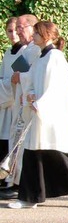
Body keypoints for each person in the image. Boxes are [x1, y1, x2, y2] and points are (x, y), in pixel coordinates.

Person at [7, 21, 68, 209]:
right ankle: (29, 197)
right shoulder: (40, 56)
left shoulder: (55, 57)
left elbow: (56, 88)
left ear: (47, 35)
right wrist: (30, 93)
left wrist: (40, 103)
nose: (33, 37)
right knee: (33, 154)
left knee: (56, 155)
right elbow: (30, 78)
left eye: (37, 33)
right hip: (38, 112)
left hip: (50, 116)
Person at [0, 14, 41, 200]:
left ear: (33, 28)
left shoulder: (35, 50)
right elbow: (14, 75)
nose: (17, 32)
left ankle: (20, 185)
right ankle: (14, 182)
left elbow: (21, 76)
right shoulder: (26, 50)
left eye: (21, 28)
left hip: (30, 105)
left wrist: (18, 78)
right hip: (19, 104)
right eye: (16, 29)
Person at [0, 17, 21, 161]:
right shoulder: (8, 53)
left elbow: (16, 80)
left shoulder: (26, 52)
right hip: (4, 103)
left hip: (15, 103)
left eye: (16, 30)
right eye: (10, 31)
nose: (13, 34)